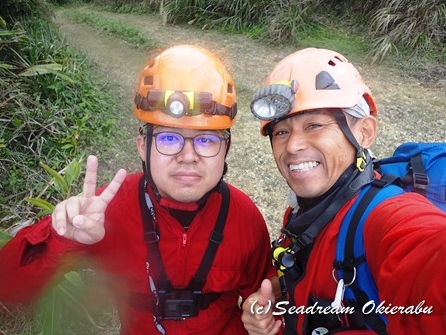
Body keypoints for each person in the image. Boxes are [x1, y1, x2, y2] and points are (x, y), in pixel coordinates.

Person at [0, 45, 274, 334]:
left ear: (226, 149)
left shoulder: (244, 218)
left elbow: (267, 293)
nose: (188, 155)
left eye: (207, 140)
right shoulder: (106, 213)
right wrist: (63, 239)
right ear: (143, 146)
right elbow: (8, 285)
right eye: (169, 138)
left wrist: (262, 313)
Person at [241, 47, 446, 335]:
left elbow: (427, 256)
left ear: (364, 132)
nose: (292, 146)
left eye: (314, 125)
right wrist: (278, 292)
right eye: (281, 131)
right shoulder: (305, 209)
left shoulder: (384, 217)